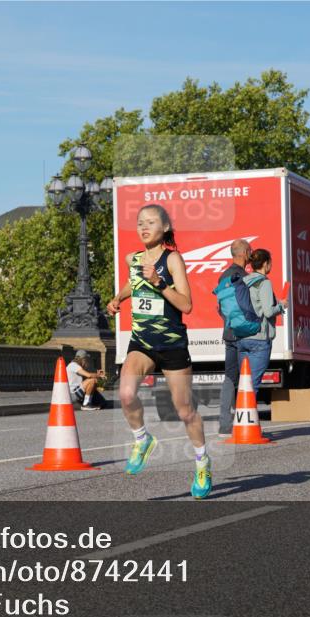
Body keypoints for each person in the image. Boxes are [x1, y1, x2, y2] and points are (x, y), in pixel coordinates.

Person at [106, 204, 210, 499]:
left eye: (151, 222)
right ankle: (142, 439)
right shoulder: (134, 259)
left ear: (165, 227)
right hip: (142, 342)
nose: (144, 227)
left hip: (172, 344)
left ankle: (202, 462)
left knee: (185, 411)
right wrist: (118, 299)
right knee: (126, 394)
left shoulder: (172, 259)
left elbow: (186, 305)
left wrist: (159, 282)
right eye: (140, 223)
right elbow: (132, 283)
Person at [238, 248, 287, 396]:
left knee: (244, 382)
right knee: (253, 384)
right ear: (266, 264)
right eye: (270, 263)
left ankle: (240, 416)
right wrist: (281, 306)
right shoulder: (264, 282)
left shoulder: (244, 281)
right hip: (259, 338)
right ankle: (248, 418)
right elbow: (268, 311)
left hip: (242, 337)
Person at [216, 238, 251, 438]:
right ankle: (245, 420)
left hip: (229, 332)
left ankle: (224, 424)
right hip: (244, 333)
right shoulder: (243, 277)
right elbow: (248, 305)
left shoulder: (224, 276)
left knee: (230, 376)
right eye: (250, 251)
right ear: (244, 253)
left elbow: (221, 307)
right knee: (246, 377)